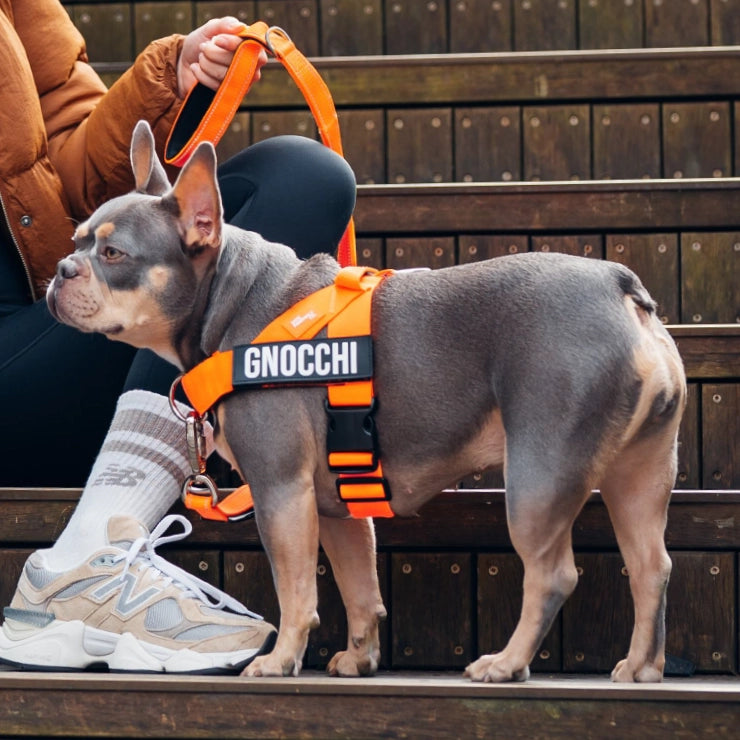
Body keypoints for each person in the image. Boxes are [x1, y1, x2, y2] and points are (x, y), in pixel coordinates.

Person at [0, 0, 356, 672]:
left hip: (52, 327)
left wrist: (170, 80)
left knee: (302, 176)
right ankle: (88, 561)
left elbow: (72, 165)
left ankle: (97, 548)